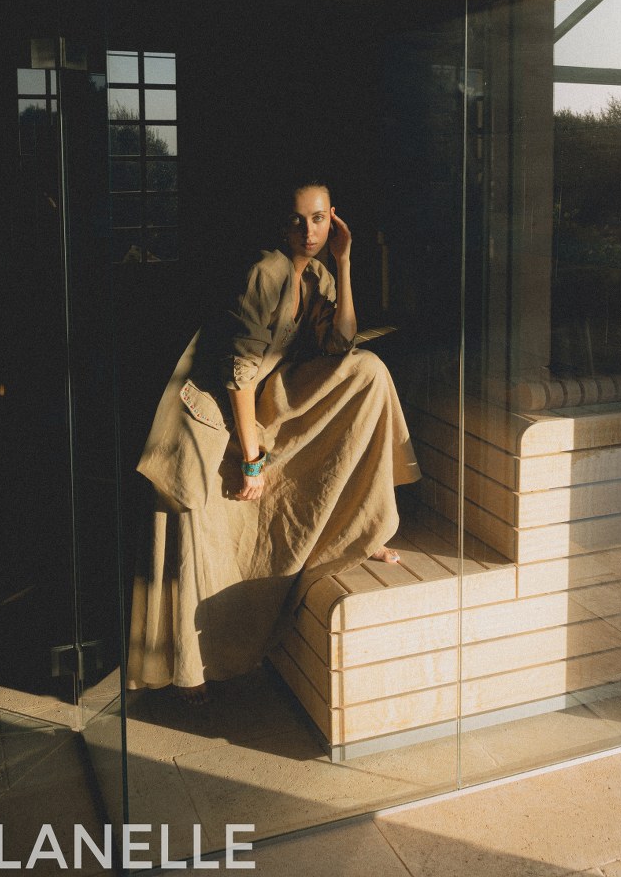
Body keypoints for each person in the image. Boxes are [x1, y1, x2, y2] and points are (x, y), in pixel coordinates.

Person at [126, 182, 420, 702]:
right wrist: (252, 460)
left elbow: (341, 343)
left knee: (368, 370)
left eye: (318, 219)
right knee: (197, 529)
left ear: (333, 219)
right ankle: (189, 668)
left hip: (259, 397)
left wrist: (344, 262)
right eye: (297, 221)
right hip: (212, 407)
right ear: (282, 225)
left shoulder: (320, 274)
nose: (308, 231)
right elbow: (238, 373)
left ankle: (361, 526)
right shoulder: (266, 271)